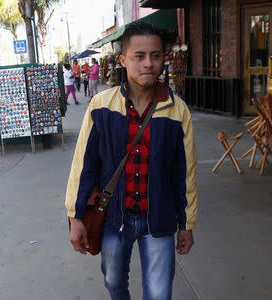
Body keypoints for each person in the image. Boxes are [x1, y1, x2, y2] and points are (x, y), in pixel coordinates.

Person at [65, 21, 197, 300]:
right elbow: (84, 165)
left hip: (159, 220)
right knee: (114, 284)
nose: (148, 63)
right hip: (114, 218)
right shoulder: (101, 106)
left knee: (159, 294)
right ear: (123, 60)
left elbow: (185, 174)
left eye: (156, 55)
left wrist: (187, 224)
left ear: (163, 58)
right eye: (139, 56)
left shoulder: (177, 110)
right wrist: (75, 216)